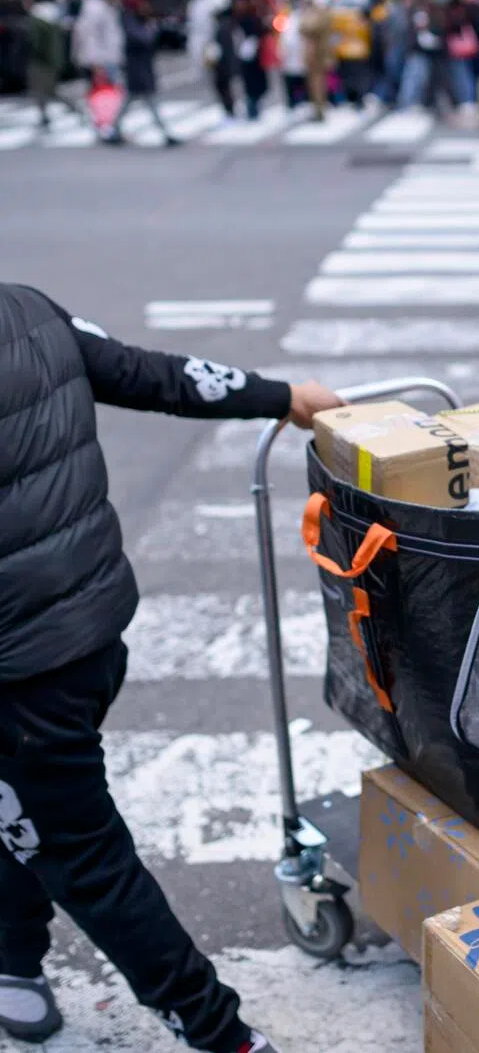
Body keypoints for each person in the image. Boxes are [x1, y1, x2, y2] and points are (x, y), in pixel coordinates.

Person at [0, 281, 343, 1051]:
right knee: (25, 815)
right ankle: (15, 963)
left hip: (21, 678)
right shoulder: (24, 308)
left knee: (83, 857)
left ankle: (225, 1037)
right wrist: (283, 394)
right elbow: (152, 373)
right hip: (90, 635)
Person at [107, 0, 180, 146]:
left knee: (130, 101)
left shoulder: (135, 18)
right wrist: (151, 27)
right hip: (137, 68)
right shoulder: (129, 19)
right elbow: (143, 38)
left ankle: (114, 130)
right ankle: (166, 134)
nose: (145, 6)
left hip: (140, 67)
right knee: (149, 101)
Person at [24, 0, 84, 130]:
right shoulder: (53, 18)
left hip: (41, 61)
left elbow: (36, 43)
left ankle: (47, 116)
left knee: (42, 90)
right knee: (49, 90)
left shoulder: (37, 20)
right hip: (54, 60)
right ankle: (50, 114)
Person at [71, 0, 124, 85]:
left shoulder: (109, 7)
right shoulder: (95, 9)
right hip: (100, 62)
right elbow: (87, 36)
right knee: (102, 95)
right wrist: (95, 62)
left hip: (109, 60)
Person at [298, 0, 333, 121]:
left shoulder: (320, 13)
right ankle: (317, 110)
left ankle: (319, 111)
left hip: (318, 54)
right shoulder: (319, 12)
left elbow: (307, 27)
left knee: (318, 84)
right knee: (314, 84)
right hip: (315, 54)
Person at [233, 0, 268, 120]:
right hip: (245, 57)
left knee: (257, 85)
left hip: (255, 58)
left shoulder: (254, 17)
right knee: (249, 86)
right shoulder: (237, 19)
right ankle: (251, 109)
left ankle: (254, 107)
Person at [445, 0, 479, 115]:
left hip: (458, 49)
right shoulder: (465, 10)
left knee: (462, 76)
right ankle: (466, 100)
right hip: (462, 49)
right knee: (464, 75)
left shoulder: (459, 12)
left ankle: (467, 100)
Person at [381, 0, 412, 106]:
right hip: (396, 45)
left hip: (397, 45)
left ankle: (392, 97)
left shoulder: (396, 9)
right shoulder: (396, 9)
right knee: (394, 72)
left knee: (395, 72)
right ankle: (391, 97)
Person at [278, 0, 308, 109]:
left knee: (302, 78)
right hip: (289, 53)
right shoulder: (285, 14)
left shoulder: (302, 15)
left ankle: (302, 99)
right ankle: (293, 101)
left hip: (301, 51)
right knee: (290, 78)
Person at [185, 0, 215, 76]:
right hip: (195, 34)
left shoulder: (210, 2)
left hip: (207, 34)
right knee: (195, 55)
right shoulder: (192, 4)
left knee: (209, 57)